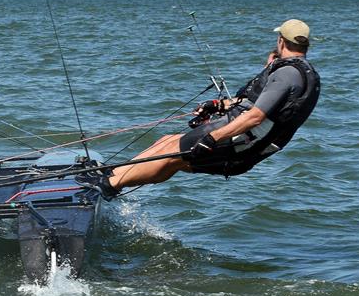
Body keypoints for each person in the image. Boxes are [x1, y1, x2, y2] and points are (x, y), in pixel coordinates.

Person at [86, 19, 320, 199]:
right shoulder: (301, 72)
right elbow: (257, 104)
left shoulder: (287, 73)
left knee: (172, 157)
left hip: (243, 142)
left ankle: (109, 186)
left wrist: (212, 137)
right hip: (243, 134)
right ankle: (114, 175)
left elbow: (256, 116)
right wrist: (218, 105)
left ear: (281, 40)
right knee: (168, 140)